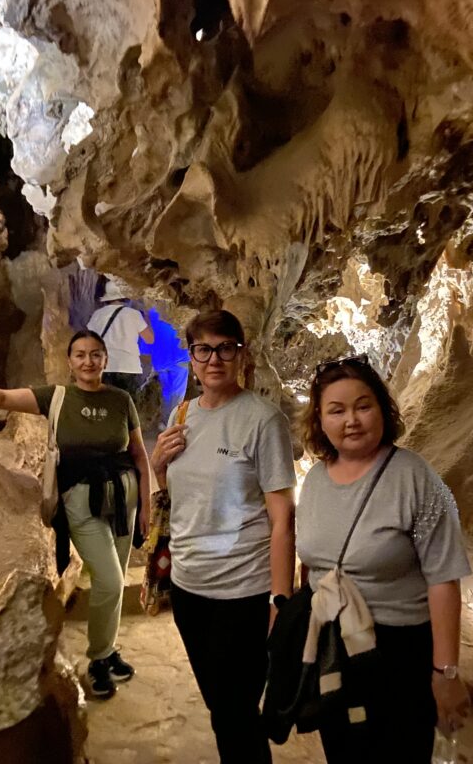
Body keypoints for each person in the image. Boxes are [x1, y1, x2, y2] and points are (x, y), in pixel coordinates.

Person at [0, 329, 151, 700]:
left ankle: (108, 652)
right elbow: (9, 398)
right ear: (70, 361)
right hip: (81, 502)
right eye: (80, 355)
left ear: (106, 360)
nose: (88, 361)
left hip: (124, 502)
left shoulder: (122, 400)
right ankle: (96, 660)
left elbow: (139, 454)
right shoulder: (57, 397)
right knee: (108, 579)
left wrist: (147, 506)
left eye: (95, 354)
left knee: (117, 578)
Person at [295, 354, 471, 763]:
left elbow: (444, 579)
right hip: (332, 648)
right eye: (336, 410)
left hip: (397, 652)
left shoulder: (415, 478)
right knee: (342, 751)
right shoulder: (317, 479)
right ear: (320, 420)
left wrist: (446, 673)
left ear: (382, 409)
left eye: (363, 405)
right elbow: (314, 565)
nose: (351, 420)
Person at [150, 310, 296, 764]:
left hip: (243, 593)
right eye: (204, 349)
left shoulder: (263, 421)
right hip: (190, 589)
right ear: (191, 357)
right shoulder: (182, 415)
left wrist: (279, 599)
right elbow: (173, 499)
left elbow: (282, 519)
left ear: (240, 355)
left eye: (225, 347)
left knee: (234, 711)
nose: (215, 359)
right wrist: (157, 465)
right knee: (222, 707)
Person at [87, 278, 154, 397]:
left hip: (104, 368)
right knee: (126, 409)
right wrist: (146, 318)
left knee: (105, 407)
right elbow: (150, 339)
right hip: (128, 367)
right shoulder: (134, 314)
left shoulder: (97, 315)